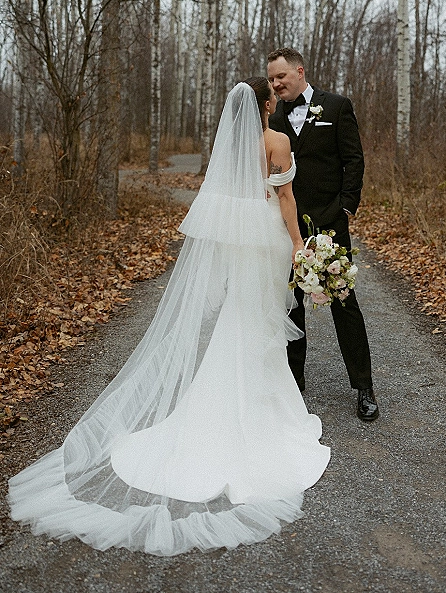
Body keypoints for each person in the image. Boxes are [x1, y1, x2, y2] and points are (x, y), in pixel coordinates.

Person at [8, 80, 330, 556]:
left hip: (239, 241)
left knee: (239, 320)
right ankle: (263, 412)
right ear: (265, 105)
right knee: (261, 323)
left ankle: (228, 404)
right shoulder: (276, 141)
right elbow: (284, 200)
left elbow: (221, 202)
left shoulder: (231, 150)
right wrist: (300, 245)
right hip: (266, 241)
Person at [267, 47, 379, 422]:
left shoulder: (336, 107)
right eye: (271, 80)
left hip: (331, 222)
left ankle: (363, 386)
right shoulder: (271, 116)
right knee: (291, 304)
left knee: (344, 303)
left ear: (300, 71)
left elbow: (354, 160)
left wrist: (346, 207)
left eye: (281, 77)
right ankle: (293, 387)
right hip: (286, 226)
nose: (276, 84)